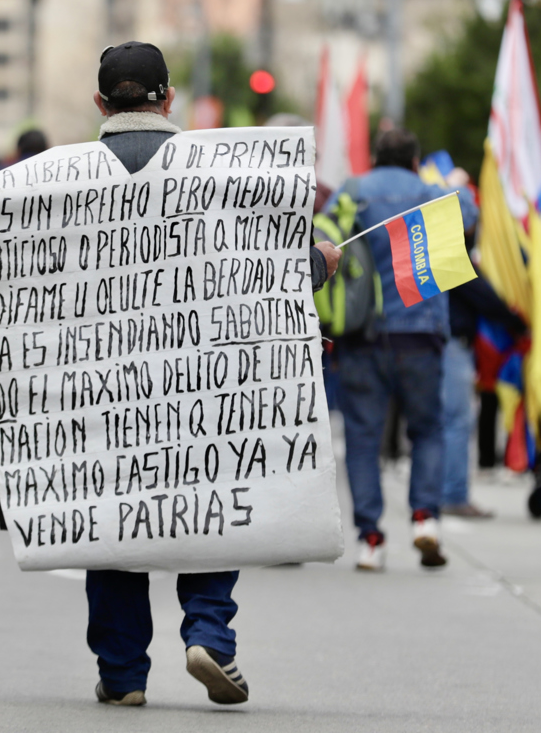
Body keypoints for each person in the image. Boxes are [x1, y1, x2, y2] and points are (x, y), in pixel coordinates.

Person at [82, 41, 341, 708]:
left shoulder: (57, 184)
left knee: (113, 514)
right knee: (204, 500)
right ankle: (209, 635)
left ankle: (122, 674)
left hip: (103, 388)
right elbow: (262, 274)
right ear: (168, 100)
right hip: (200, 383)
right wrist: (319, 264)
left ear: (100, 103)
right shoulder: (217, 176)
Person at [337, 129, 478, 572]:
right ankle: (424, 520)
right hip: (421, 335)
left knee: (363, 438)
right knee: (427, 429)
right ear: (415, 161)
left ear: (376, 159)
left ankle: (371, 540)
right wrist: (453, 180)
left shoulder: (353, 192)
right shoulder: (431, 193)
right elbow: (470, 211)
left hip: (362, 335)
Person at [443, 267, 525, 517]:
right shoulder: (449, 253)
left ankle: (437, 494)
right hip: (453, 344)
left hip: (437, 343)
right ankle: (453, 496)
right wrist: (515, 320)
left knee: (442, 422)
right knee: (457, 421)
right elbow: (482, 294)